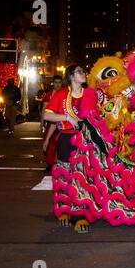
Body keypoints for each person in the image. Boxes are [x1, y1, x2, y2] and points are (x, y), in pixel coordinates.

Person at [44, 65, 98, 234]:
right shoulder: (61, 95)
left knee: (83, 177)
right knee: (65, 175)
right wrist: (67, 117)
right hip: (66, 139)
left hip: (85, 139)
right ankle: (64, 210)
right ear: (71, 76)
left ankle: (80, 214)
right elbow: (47, 115)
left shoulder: (90, 94)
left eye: (84, 72)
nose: (84, 74)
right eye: (80, 72)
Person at [41, 75, 63, 173]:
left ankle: (59, 163)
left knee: (58, 143)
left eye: (59, 82)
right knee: (48, 142)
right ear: (53, 83)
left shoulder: (65, 93)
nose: (57, 84)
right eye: (56, 82)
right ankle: (50, 163)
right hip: (51, 122)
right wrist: (42, 122)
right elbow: (44, 109)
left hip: (63, 122)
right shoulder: (49, 94)